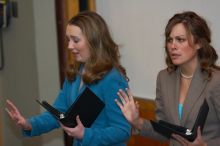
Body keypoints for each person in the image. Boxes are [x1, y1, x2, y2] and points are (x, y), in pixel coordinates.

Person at [5, 11, 131, 146]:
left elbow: (122, 130)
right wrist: (28, 124)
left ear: (94, 41)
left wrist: (84, 134)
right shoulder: (75, 73)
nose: (69, 46)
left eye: (75, 40)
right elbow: (59, 113)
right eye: (68, 40)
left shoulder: (113, 79)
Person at [115, 11, 220, 146]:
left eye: (180, 40)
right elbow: (165, 132)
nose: (172, 46)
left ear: (199, 43)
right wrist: (137, 121)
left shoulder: (216, 80)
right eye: (170, 40)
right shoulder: (164, 78)